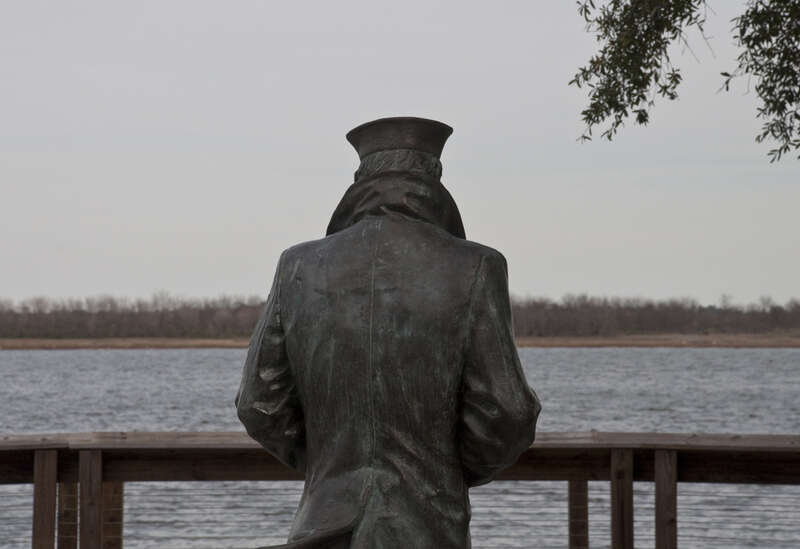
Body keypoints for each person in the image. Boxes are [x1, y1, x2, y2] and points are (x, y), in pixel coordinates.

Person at [236, 117, 541, 549]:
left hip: (321, 527)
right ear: (433, 179)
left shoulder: (298, 266)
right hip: (430, 529)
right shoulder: (476, 266)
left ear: (361, 181)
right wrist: (440, 473)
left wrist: (330, 466)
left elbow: (260, 405)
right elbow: (507, 412)